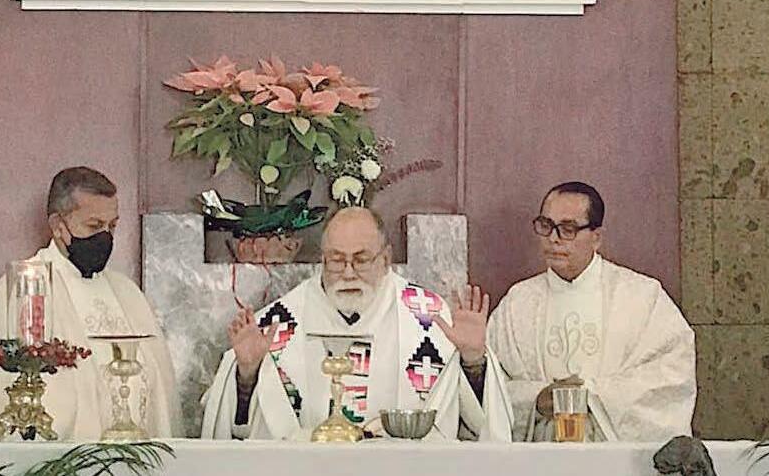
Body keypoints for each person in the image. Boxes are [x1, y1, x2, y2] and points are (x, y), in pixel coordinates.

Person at [201, 206, 513, 440]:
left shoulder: (427, 319)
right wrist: (246, 374)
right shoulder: (279, 323)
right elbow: (237, 428)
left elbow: (479, 424)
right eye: (337, 260)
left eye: (361, 259)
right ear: (323, 259)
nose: (349, 273)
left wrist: (473, 361)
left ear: (386, 259)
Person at [0, 167, 181, 441]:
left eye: (112, 226)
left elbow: (161, 392)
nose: (105, 237)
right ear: (57, 226)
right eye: (94, 226)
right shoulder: (23, 290)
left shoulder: (128, 294)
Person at [488, 181, 696, 442]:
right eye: (546, 225)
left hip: (615, 459)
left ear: (596, 237)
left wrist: (590, 397)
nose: (553, 238)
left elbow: (671, 377)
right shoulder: (518, 303)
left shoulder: (641, 297)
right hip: (541, 456)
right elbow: (491, 389)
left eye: (568, 229)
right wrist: (537, 399)